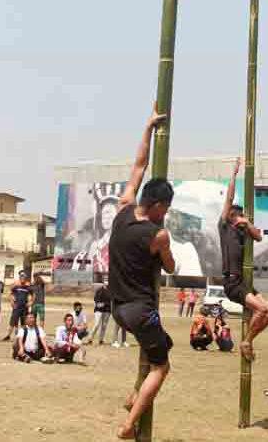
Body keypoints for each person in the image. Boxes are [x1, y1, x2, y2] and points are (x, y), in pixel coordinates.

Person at [108, 107, 174, 440]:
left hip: (117, 307)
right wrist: (165, 245)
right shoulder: (157, 235)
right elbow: (171, 267)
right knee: (162, 367)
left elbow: (138, 165)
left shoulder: (122, 208)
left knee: (164, 346)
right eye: (168, 209)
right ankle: (129, 424)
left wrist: (147, 126)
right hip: (140, 309)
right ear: (160, 207)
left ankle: (135, 395)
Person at [218, 157, 268, 362]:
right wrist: (233, 176)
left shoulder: (243, 233)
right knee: (261, 309)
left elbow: (259, 236)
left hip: (244, 282)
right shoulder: (224, 227)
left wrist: (247, 223)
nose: (240, 219)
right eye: (238, 216)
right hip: (232, 282)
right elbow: (228, 199)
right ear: (232, 216)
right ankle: (247, 341)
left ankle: (248, 340)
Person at [2, 272, 33, 341]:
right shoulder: (16, 286)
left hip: (25, 307)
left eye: (24, 278)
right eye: (21, 277)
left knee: (24, 323)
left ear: (25, 279)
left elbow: (33, 295)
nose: (23, 279)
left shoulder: (28, 287)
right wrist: (11, 301)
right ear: (20, 278)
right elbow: (10, 293)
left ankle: (23, 336)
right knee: (12, 322)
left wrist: (31, 302)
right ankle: (8, 335)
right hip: (16, 307)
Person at [89, 280, 112, 345]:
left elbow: (112, 300)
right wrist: (98, 304)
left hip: (107, 310)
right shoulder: (99, 290)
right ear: (103, 284)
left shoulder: (111, 291)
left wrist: (106, 305)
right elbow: (96, 300)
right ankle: (90, 339)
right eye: (105, 284)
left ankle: (101, 340)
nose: (107, 285)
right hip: (99, 310)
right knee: (97, 324)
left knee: (104, 326)